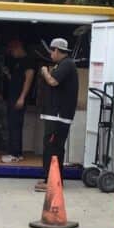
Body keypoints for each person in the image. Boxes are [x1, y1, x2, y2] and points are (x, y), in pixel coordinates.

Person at [35, 37, 79, 192]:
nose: (51, 54)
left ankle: (52, 181)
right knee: (53, 147)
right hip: (55, 115)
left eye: (52, 51)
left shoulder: (67, 64)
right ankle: (53, 179)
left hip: (58, 115)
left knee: (52, 148)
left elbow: (53, 81)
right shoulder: (62, 64)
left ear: (57, 50)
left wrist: (45, 72)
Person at [0, 38, 35, 164]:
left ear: (18, 48)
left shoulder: (28, 61)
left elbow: (28, 79)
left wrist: (22, 97)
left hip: (19, 97)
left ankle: (14, 153)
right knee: (12, 124)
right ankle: (17, 153)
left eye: (12, 50)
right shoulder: (17, 62)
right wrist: (8, 74)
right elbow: (16, 80)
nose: (11, 53)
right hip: (13, 96)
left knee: (15, 124)